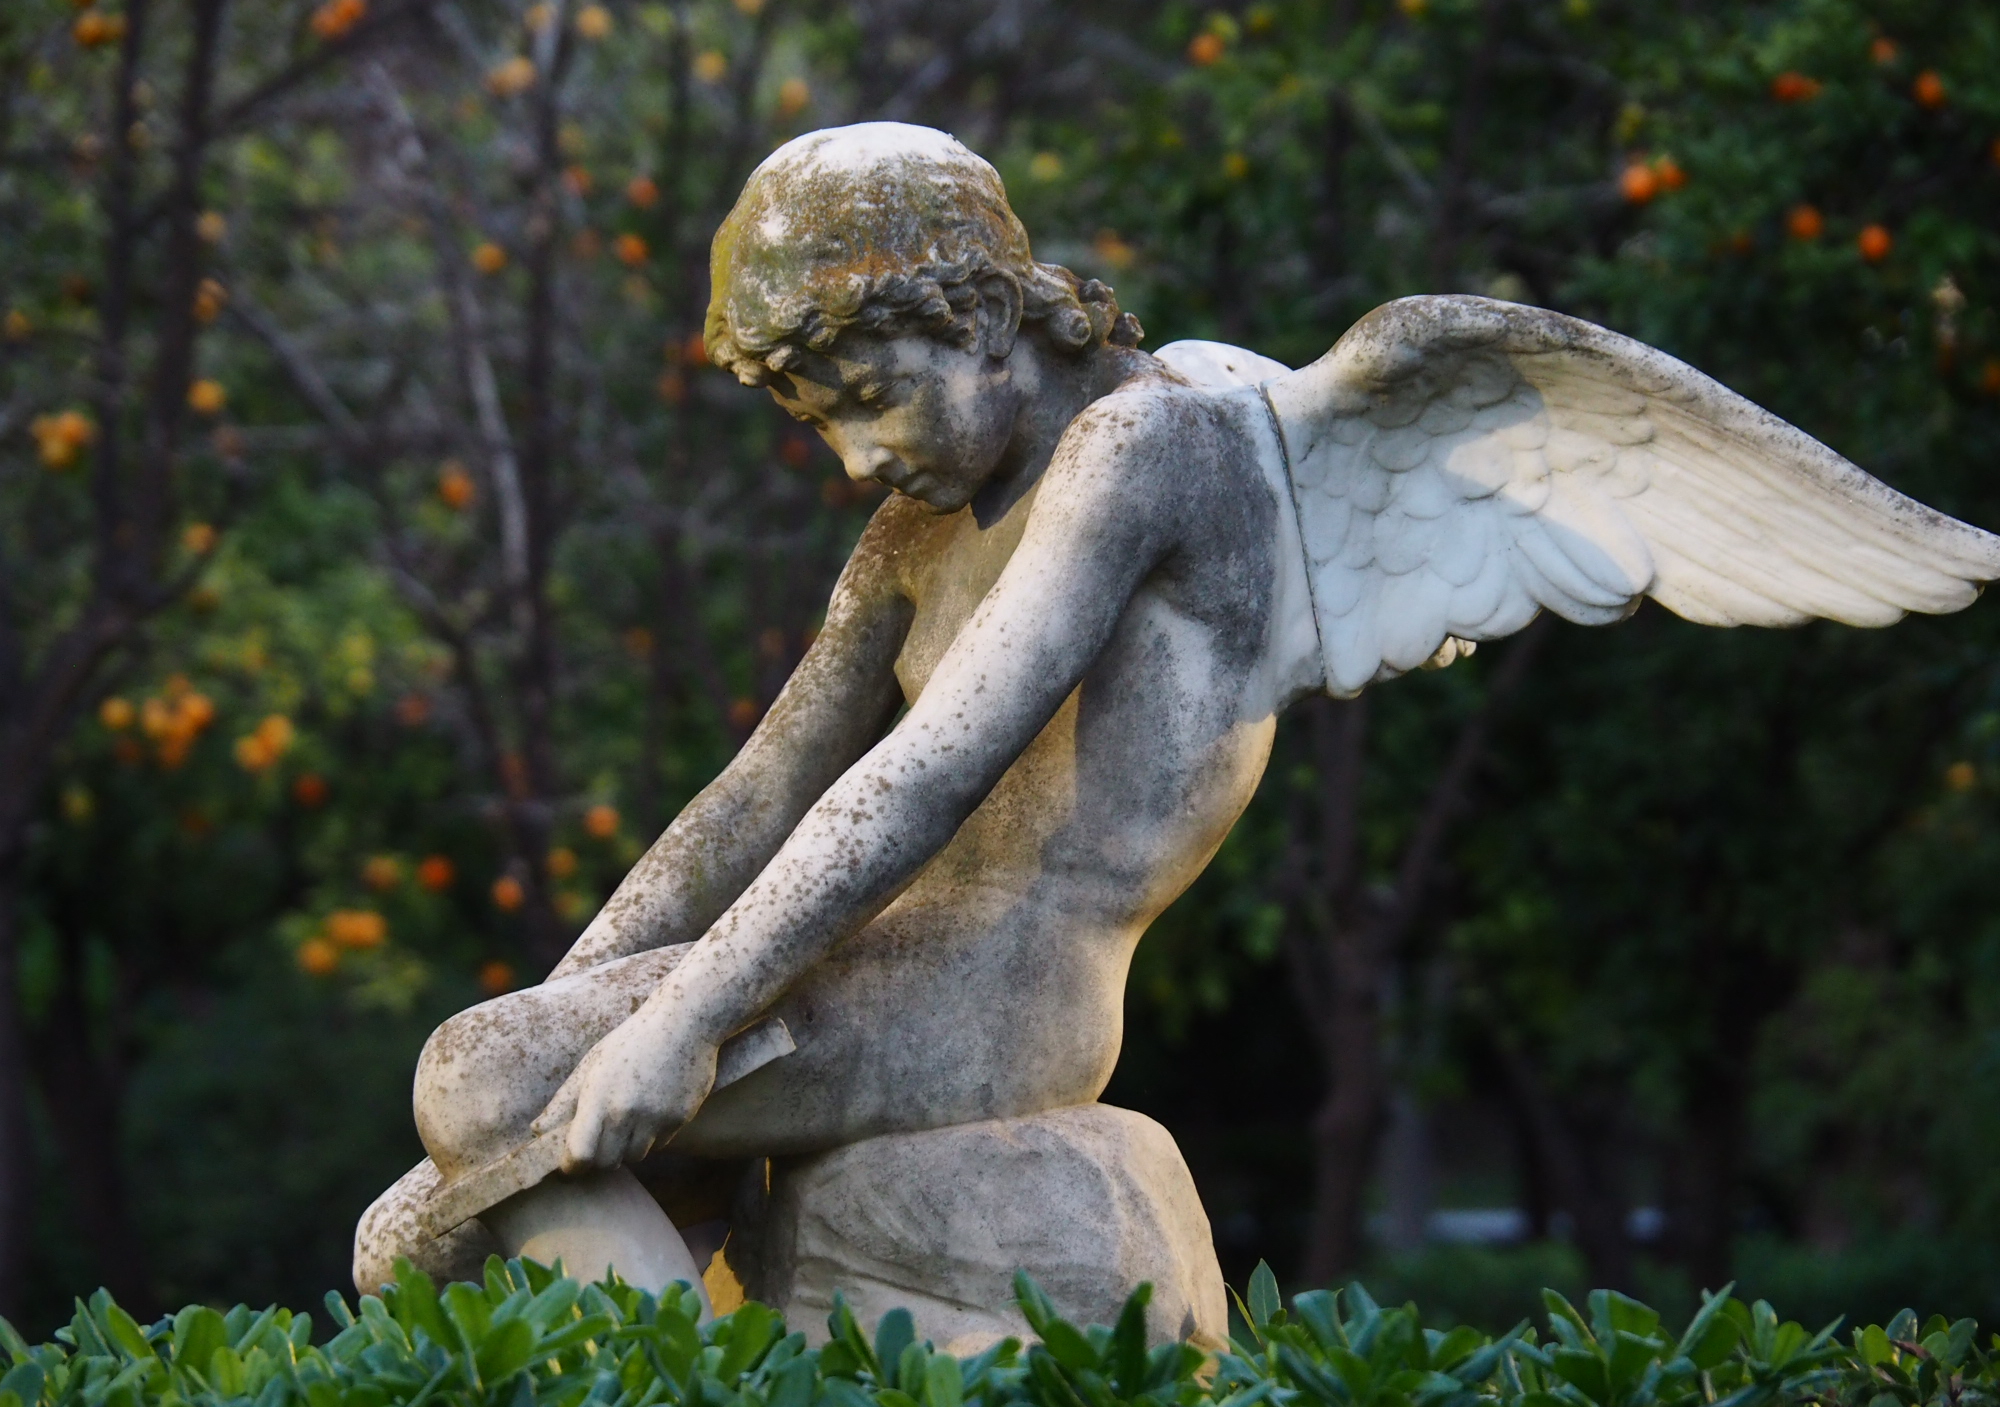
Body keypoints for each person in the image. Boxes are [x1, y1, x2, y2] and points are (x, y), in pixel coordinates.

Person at [356, 121, 2000, 1302]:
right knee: (408, 1228)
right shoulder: (918, 531)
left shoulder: (1154, 447)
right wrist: (585, 1005)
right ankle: (685, 1385)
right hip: (867, 970)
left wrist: (675, 1022)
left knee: (474, 1082)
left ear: (979, 313)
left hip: (1006, 999)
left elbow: (934, 768)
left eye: (864, 396)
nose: (854, 455)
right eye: (817, 421)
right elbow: (756, 790)